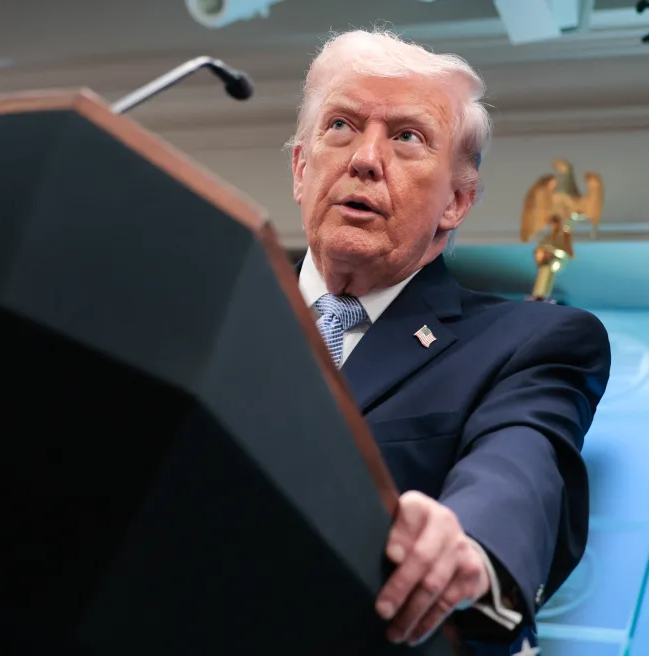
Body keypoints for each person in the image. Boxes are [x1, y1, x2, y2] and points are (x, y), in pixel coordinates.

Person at [288, 29, 610, 655]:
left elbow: (518, 468)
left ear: (456, 202)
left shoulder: (531, 343)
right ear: (302, 168)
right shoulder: (211, 311)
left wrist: (466, 545)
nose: (365, 158)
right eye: (341, 126)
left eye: (407, 136)